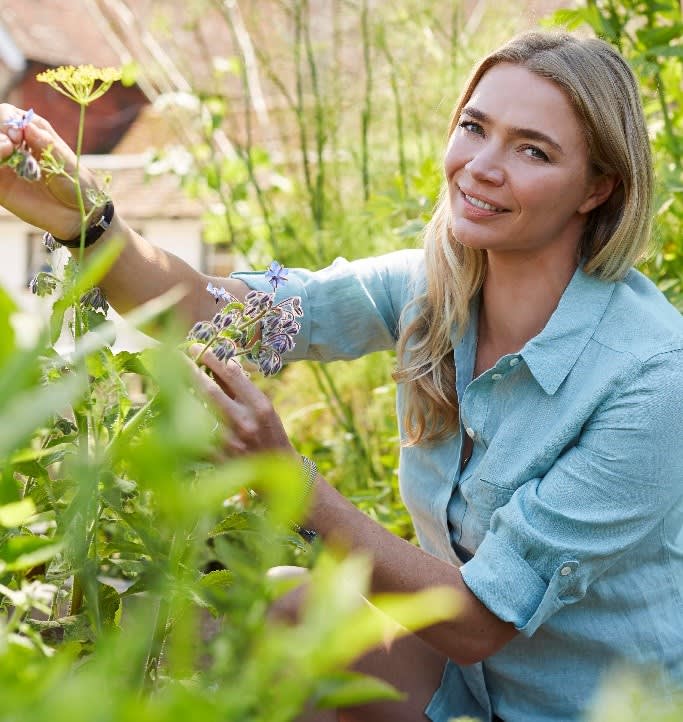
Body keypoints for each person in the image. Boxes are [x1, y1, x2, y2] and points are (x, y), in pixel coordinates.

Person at [1, 30, 682, 722]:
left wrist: (292, 485)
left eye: (531, 149)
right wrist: (87, 221)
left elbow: (480, 624)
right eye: (474, 128)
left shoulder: (650, 379)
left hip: (593, 709)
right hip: (461, 688)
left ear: (597, 188)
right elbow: (218, 310)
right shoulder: (435, 289)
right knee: (241, 616)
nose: (480, 166)